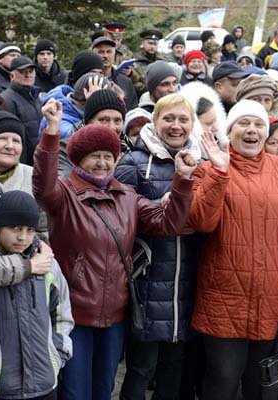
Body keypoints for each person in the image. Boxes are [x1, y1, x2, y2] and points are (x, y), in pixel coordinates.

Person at [33, 98, 197, 400]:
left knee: (104, 389)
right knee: (74, 391)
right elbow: (43, 187)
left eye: (108, 156)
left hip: (115, 315)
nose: (102, 163)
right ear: (79, 158)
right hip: (73, 314)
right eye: (94, 156)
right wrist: (51, 134)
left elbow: (168, 224)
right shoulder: (66, 193)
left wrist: (182, 180)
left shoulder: (127, 197)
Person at [187, 99, 278, 400]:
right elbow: (201, 222)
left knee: (263, 382)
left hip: (275, 298)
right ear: (229, 131)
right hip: (224, 298)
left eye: (258, 124)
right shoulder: (208, 169)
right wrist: (219, 173)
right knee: (222, 380)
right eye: (243, 124)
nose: (251, 130)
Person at [114, 93, 202, 400]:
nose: (176, 126)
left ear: (193, 124)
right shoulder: (134, 162)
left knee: (174, 365)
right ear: (155, 122)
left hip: (187, 281)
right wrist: (159, 206)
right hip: (148, 279)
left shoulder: (200, 162)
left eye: (183, 119)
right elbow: (120, 213)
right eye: (169, 118)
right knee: (142, 366)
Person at [0, 190, 73, 400]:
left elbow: (62, 313)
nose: (23, 237)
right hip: (0, 387)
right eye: (15, 227)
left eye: (30, 230)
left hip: (45, 384)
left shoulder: (47, 264)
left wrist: (56, 357)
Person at [0, 56, 42, 165]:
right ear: (12, 76)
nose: (28, 75)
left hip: (38, 161)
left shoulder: (36, 97)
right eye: (23, 72)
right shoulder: (6, 100)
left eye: (31, 71)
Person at [92, 36, 138, 110]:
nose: (105, 56)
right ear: (93, 54)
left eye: (109, 52)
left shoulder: (126, 82)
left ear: (114, 54)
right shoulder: (88, 79)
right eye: (101, 52)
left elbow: (133, 108)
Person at [130, 29, 166, 97]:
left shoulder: (161, 61)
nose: (152, 46)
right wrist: (149, 91)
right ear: (143, 43)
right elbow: (134, 82)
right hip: (140, 96)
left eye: (155, 44)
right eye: (150, 43)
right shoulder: (134, 59)